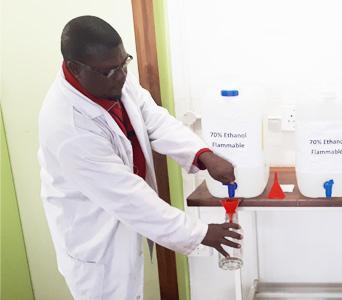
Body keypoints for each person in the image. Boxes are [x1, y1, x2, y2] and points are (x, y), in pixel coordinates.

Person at [38, 15, 241, 299]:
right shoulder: (68, 127)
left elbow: (150, 115)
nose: (121, 75)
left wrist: (202, 153)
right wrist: (199, 232)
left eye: (124, 64)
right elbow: (127, 196)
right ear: (75, 68)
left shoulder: (110, 74)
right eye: (111, 71)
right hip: (95, 233)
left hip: (122, 212)